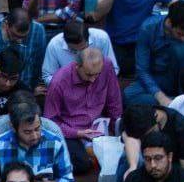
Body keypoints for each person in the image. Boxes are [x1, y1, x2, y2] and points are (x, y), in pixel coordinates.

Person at [44, 47, 124, 175]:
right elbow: (50, 122)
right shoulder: (58, 82)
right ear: (77, 66)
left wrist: (117, 131)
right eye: (89, 74)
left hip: (99, 123)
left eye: (97, 74)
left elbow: (114, 101)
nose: (93, 80)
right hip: (71, 130)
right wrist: (77, 133)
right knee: (81, 164)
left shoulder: (107, 66)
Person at [126, 0, 184, 108]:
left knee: (183, 49)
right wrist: (160, 97)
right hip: (156, 77)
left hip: (183, 78)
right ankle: (178, 105)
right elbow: (142, 69)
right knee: (128, 95)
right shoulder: (148, 28)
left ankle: (181, 101)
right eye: (180, 34)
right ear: (170, 23)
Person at [117, 102, 184, 180]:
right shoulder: (137, 113)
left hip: (170, 163)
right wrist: (133, 166)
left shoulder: (181, 126)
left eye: (147, 135)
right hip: (142, 158)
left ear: (157, 119)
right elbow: (129, 137)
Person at [42, 19, 119, 85]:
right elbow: (48, 76)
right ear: (64, 40)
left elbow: (113, 70)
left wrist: (96, 83)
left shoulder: (101, 38)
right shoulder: (54, 45)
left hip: (97, 85)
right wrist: (67, 86)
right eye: (74, 50)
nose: (80, 54)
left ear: (88, 38)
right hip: (68, 89)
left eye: (83, 48)